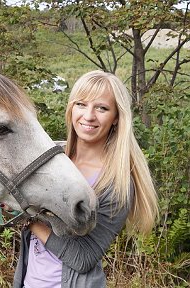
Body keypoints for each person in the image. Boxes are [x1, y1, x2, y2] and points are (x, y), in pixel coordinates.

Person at [13, 70, 159, 288]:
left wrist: (27, 218)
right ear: (71, 108)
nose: (89, 116)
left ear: (117, 118)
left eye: (102, 108)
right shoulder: (51, 157)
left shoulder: (117, 183)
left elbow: (83, 258)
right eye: (81, 104)